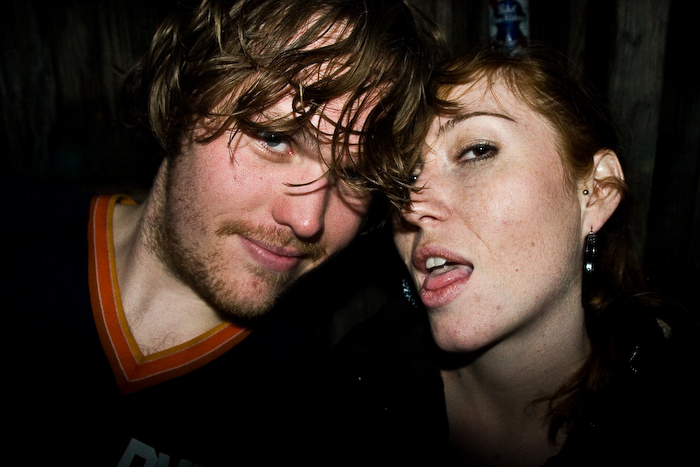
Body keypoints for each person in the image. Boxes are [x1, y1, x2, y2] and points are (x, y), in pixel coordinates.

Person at [3, 0, 446, 465]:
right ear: (183, 94)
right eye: (274, 137)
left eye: (356, 176)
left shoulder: (309, 413)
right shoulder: (13, 230)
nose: (308, 221)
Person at [329, 42, 700, 465]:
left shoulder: (672, 404)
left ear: (596, 191)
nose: (411, 206)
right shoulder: (345, 408)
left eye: (476, 151)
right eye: (405, 178)